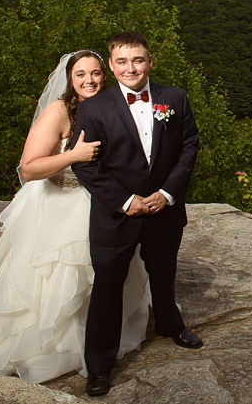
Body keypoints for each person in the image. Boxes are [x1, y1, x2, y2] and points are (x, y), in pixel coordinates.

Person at [0, 50, 151, 384]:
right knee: (59, 278)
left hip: (105, 201)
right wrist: (74, 155)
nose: (89, 80)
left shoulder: (114, 106)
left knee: (104, 274)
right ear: (69, 79)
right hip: (59, 203)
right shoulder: (59, 111)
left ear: (105, 76)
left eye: (95, 73)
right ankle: (52, 344)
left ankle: (99, 338)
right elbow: (29, 168)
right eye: (80, 74)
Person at [71, 31, 202, 398]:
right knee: (108, 289)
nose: (131, 68)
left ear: (150, 61)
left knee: (164, 273)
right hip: (117, 216)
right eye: (123, 62)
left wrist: (167, 193)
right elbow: (85, 166)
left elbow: (189, 145)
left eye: (138, 60)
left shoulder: (173, 98)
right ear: (111, 66)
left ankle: (170, 325)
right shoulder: (93, 108)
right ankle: (98, 365)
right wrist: (127, 201)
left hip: (164, 211)